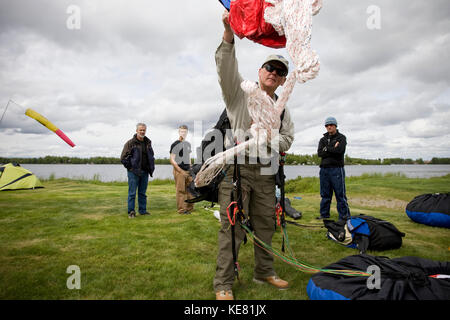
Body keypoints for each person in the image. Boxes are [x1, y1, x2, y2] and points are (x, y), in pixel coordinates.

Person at [213, 11, 295, 300]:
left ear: (283, 80)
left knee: (265, 224)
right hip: (237, 170)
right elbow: (225, 69)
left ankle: (264, 271)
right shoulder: (239, 94)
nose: (273, 73)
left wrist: (271, 139)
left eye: (280, 71)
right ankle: (223, 284)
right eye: (269, 67)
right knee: (232, 226)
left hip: (266, 172)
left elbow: (288, 138)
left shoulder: (282, 109)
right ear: (260, 71)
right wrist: (228, 32)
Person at [317, 117, 351, 221]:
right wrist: (332, 148)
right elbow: (320, 153)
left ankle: (344, 216)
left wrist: (327, 148)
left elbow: (340, 151)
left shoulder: (341, 138)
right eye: (327, 125)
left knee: (340, 194)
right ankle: (324, 214)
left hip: (337, 169)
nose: (329, 127)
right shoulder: (322, 140)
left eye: (331, 125)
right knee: (325, 194)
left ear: (335, 126)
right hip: (324, 170)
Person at [120, 123, 155, 218]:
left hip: (145, 172)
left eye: (144, 130)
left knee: (142, 193)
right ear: (136, 131)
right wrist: (131, 168)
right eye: (141, 130)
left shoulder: (148, 142)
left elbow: (151, 156)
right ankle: (131, 211)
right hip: (133, 172)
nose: (142, 132)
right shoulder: (130, 143)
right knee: (132, 193)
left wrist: (150, 167)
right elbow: (123, 158)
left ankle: (142, 211)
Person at [170, 125, 194, 215]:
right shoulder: (175, 144)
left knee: (191, 190)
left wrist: (191, 168)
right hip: (179, 170)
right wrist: (180, 171)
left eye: (185, 132)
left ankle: (189, 208)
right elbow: (172, 159)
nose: (183, 133)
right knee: (181, 190)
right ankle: (182, 210)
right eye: (181, 132)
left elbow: (188, 158)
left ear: (187, 133)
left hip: (188, 170)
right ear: (179, 132)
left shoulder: (188, 144)